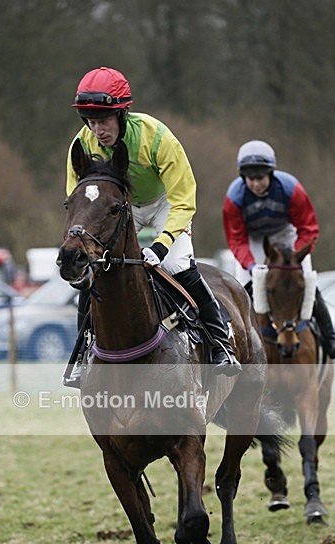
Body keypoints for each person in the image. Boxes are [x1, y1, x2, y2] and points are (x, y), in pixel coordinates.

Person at [64, 66, 241, 386]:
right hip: (116, 208)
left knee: (176, 264)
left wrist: (161, 245)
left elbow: (184, 198)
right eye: (90, 121)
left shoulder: (156, 137)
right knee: (95, 271)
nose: (97, 129)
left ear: (122, 114)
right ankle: (81, 353)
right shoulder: (82, 144)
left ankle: (220, 343)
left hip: (164, 204)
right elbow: (78, 201)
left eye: (104, 120)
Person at [223, 139, 335, 358]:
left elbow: (308, 229)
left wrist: (294, 257)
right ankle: (232, 345)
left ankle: (330, 337)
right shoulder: (234, 197)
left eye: (260, 178)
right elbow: (236, 239)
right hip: (253, 239)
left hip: (286, 234)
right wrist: (251, 266)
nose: (256, 184)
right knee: (241, 291)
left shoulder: (291, 189)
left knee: (307, 282)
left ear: (270, 174)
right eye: (251, 179)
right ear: (243, 178)